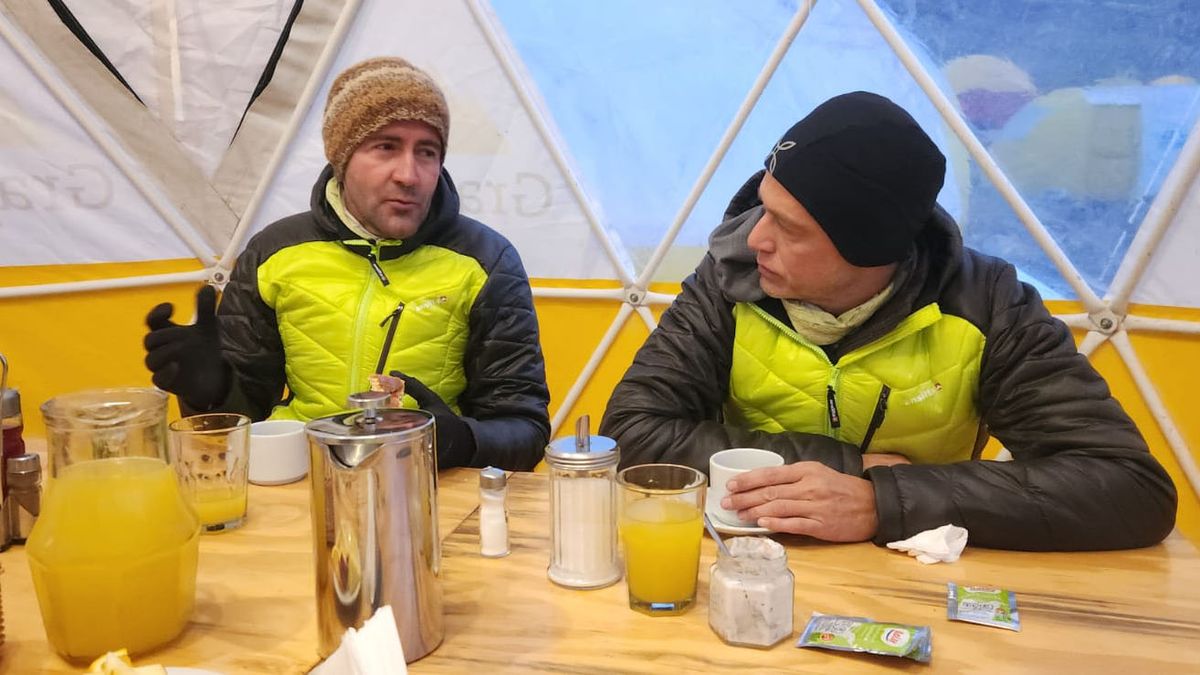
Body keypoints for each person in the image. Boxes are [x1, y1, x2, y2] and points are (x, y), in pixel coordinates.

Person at [599, 92, 1177, 551]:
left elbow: (1129, 488)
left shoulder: (988, 303)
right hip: (748, 561)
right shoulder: (727, 281)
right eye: (762, 206)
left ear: (868, 247)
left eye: (789, 227)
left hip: (915, 581)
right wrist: (854, 467)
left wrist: (884, 501)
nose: (755, 239)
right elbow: (631, 433)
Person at [144, 57, 550, 471]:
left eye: (426, 152)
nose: (409, 174)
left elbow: (526, 431)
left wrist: (460, 441)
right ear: (342, 157)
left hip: (427, 491)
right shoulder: (274, 252)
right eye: (386, 147)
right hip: (300, 481)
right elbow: (246, 422)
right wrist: (210, 393)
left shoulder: (486, 260)